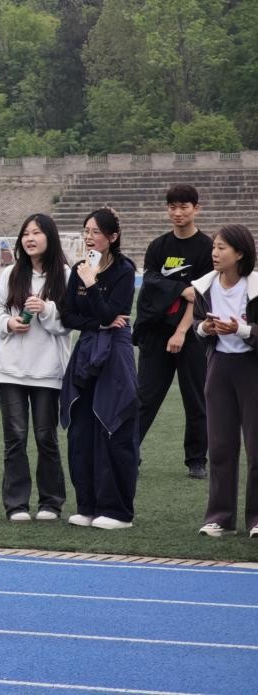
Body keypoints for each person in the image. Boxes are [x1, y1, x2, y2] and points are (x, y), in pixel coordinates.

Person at [0, 214, 73, 522]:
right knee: (15, 437)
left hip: (48, 371)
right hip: (10, 369)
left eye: (36, 233)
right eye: (26, 233)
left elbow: (69, 322)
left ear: (50, 237)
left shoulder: (65, 275)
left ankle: (51, 502)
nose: (30, 238)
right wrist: (8, 323)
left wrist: (46, 309)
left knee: (46, 437)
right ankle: (17, 504)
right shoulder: (11, 273)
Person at [60, 207, 138, 530]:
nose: (89, 237)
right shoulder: (78, 269)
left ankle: (117, 511)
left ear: (112, 237)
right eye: (86, 231)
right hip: (87, 350)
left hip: (115, 352)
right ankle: (87, 505)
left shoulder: (124, 270)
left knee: (111, 424)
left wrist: (92, 284)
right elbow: (68, 316)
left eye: (95, 232)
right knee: (81, 430)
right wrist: (97, 322)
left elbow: (112, 314)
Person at [133, 184, 213, 479]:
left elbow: (200, 297)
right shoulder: (158, 246)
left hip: (191, 335)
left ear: (196, 209)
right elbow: (151, 283)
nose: (177, 212)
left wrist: (181, 331)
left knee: (196, 399)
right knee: (143, 397)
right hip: (157, 333)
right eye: (172, 207)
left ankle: (196, 459)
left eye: (184, 207)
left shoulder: (206, 248)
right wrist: (181, 288)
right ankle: (129, 452)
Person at [190, 225, 258, 538]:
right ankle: (219, 517)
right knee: (219, 447)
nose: (215, 253)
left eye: (222, 248)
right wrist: (205, 328)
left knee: (256, 449)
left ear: (240, 253)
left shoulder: (254, 286)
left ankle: (255, 520)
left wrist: (241, 330)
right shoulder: (204, 286)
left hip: (251, 369)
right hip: (218, 368)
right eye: (214, 247)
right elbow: (197, 325)